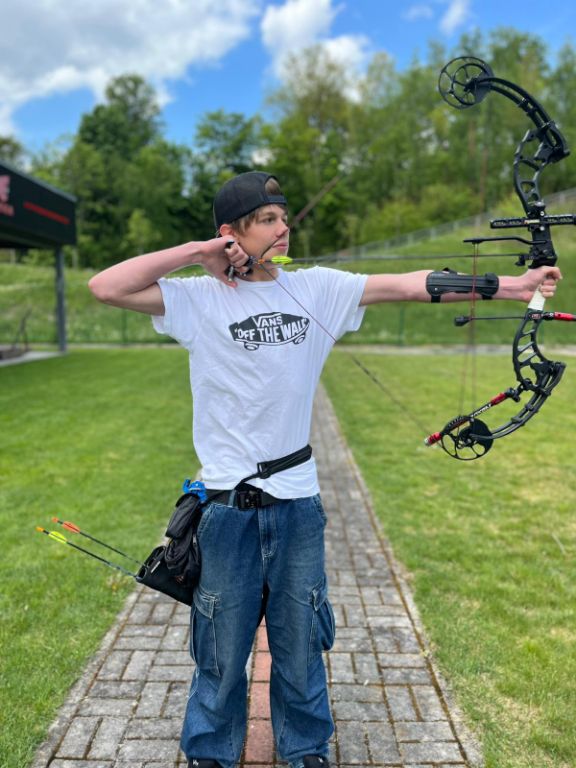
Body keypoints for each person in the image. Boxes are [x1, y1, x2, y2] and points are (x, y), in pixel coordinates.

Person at [88, 171, 560, 768]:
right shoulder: (198, 298)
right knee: (220, 647)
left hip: (297, 505)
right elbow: (105, 286)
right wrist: (197, 253)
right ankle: (210, 751)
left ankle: (306, 749)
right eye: (267, 219)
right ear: (230, 232)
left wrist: (513, 286)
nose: (283, 227)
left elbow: (411, 285)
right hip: (225, 509)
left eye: (284, 217)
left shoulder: (317, 288)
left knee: (302, 640)